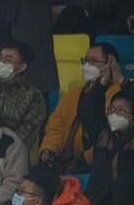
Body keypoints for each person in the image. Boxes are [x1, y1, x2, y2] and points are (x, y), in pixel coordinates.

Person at [40, 42, 124, 173]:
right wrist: (48, 150)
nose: (87, 65)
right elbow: (55, 128)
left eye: (94, 61)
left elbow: (111, 136)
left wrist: (84, 159)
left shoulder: (119, 95)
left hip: (99, 161)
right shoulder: (71, 95)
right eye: (85, 61)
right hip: (63, 160)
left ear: (110, 63)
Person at [86, 90, 134, 205]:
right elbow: (89, 110)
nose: (115, 114)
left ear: (133, 117)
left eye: (122, 111)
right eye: (112, 109)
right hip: (98, 201)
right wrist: (101, 84)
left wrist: (123, 82)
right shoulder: (100, 133)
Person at [0, 40, 46, 157]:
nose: (1, 63)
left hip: (11, 156)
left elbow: (25, 136)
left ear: (22, 67)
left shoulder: (33, 96)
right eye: (0, 58)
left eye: (8, 60)